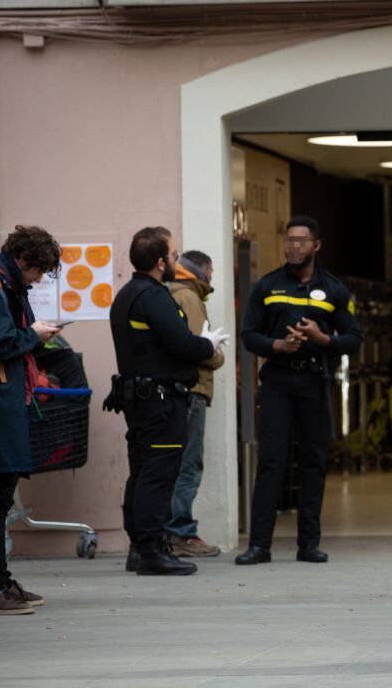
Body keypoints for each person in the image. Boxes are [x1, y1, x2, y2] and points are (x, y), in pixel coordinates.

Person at [236, 216, 361, 566]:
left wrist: (325, 340)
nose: (294, 247)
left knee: (313, 462)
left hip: (313, 380)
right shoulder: (268, 286)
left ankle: (309, 544)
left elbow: (354, 338)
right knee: (271, 461)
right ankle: (259, 545)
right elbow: (249, 334)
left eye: (301, 241)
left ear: (316, 246)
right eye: (289, 241)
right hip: (276, 381)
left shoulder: (334, 289)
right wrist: (276, 345)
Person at [106, 227, 229, 576]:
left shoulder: (127, 294)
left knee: (143, 472)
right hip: (160, 401)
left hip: (141, 398)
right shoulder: (154, 297)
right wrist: (208, 345)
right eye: (174, 255)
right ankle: (151, 550)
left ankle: (139, 547)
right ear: (161, 262)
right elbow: (181, 345)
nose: (176, 260)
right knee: (158, 475)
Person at [0, 226, 63, 615]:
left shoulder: (5, 285)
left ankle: (1, 582)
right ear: (23, 260)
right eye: (38, 271)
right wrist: (33, 335)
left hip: (0, 398)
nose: (39, 280)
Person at [164, 250, 224, 558]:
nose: (211, 278)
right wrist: (220, 355)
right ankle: (181, 532)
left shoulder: (167, 293)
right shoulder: (189, 298)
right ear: (199, 272)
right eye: (210, 272)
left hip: (174, 391)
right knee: (188, 466)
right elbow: (201, 347)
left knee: (172, 463)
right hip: (193, 390)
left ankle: (168, 531)